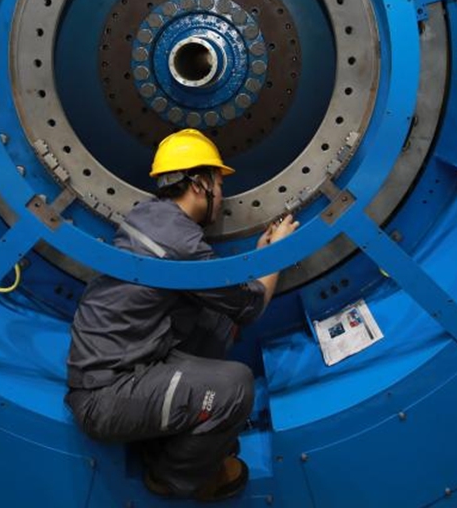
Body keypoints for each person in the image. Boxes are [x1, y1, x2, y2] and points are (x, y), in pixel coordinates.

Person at [65, 128, 298, 501]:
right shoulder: (180, 243)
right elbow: (251, 304)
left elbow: (229, 302)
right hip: (106, 397)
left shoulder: (150, 218)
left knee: (217, 322)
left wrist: (258, 255)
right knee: (237, 386)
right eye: (219, 185)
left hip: (126, 369)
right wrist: (277, 254)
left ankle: (171, 437)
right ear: (198, 183)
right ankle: (174, 478)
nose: (222, 198)